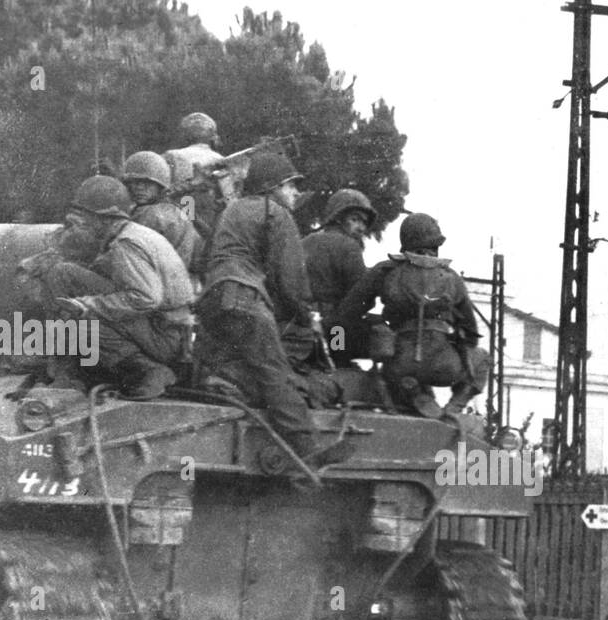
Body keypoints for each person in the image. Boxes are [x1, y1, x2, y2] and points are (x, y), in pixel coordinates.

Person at [197, 151, 350, 473]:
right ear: (272, 187)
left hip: (213, 298)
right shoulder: (276, 214)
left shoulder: (232, 210)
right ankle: (307, 451)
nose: (295, 194)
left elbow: (205, 259)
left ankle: (223, 382)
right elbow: (291, 278)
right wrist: (308, 317)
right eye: (291, 186)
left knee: (237, 363)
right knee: (275, 373)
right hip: (245, 297)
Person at [24, 175, 194, 400]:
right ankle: (67, 368)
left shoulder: (127, 244)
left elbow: (145, 298)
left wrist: (89, 305)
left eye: (86, 218)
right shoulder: (132, 233)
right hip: (166, 326)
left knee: (81, 324)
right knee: (63, 273)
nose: (82, 223)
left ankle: (148, 370)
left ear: (103, 219)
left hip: (165, 337)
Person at [334, 212, 487, 419]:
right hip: (443, 367)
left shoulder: (385, 271)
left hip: (398, 365)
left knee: (394, 364)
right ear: (436, 245)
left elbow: (346, 314)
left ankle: (413, 390)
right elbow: (471, 333)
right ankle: (455, 406)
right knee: (482, 357)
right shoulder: (452, 278)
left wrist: (348, 341)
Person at [302, 188, 375, 357]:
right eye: (355, 219)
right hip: (334, 329)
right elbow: (360, 296)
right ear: (338, 218)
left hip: (300, 324)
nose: (361, 227)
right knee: (380, 330)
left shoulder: (304, 241)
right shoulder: (349, 246)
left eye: (364, 223)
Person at [121, 150, 203, 278]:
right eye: (135, 182)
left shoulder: (150, 213)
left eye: (147, 183)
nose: (140, 188)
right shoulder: (180, 209)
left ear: (161, 185)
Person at [164, 112, 226, 240]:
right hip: (211, 228)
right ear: (212, 136)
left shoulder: (171, 156)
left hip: (177, 225)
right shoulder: (223, 161)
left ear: (185, 135)